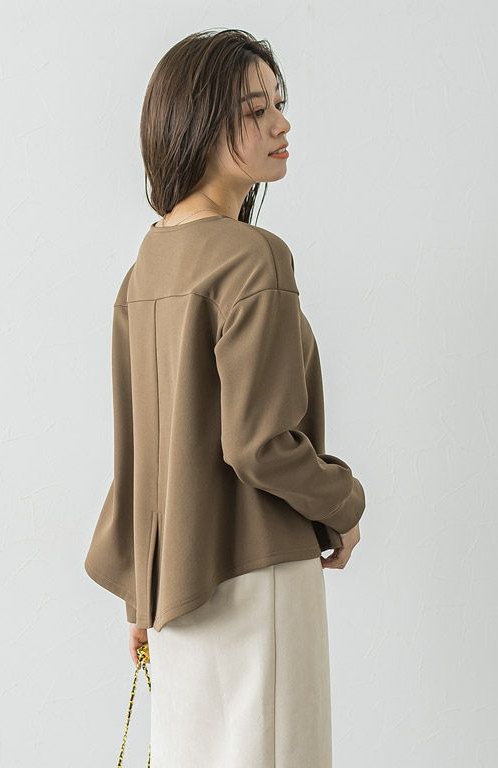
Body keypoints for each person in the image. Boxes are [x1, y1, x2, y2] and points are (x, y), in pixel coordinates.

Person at [84, 28, 366, 768]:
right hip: (256, 578)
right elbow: (259, 445)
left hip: (175, 593)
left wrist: (141, 594)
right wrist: (343, 502)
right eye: (254, 110)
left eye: (279, 103)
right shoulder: (252, 257)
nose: (281, 123)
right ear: (199, 124)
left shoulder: (147, 265)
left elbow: (141, 452)